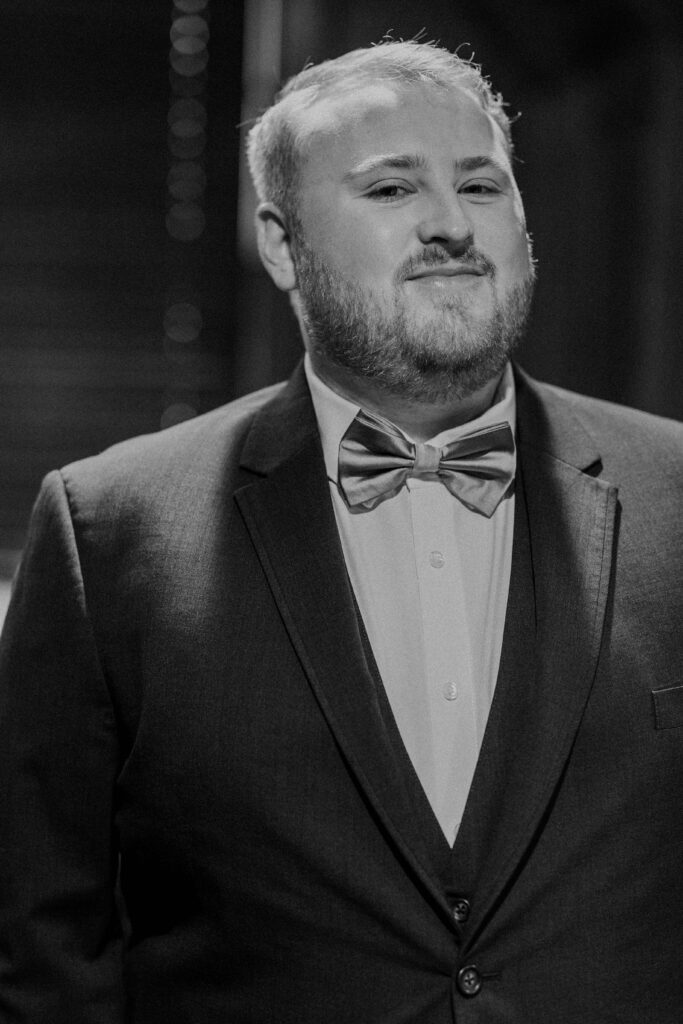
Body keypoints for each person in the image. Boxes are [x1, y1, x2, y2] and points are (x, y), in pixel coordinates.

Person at [0, 39, 682, 1024]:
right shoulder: (108, 527)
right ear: (280, 242)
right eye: (392, 188)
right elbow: (44, 949)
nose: (450, 223)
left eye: (480, 184)